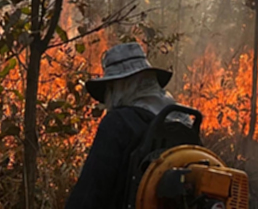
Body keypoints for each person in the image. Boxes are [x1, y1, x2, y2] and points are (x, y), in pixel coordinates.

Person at [64, 42, 183, 209]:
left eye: (109, 89)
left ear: (118, 87)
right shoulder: (184, 121)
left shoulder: (118, 122)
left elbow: (90, 193)